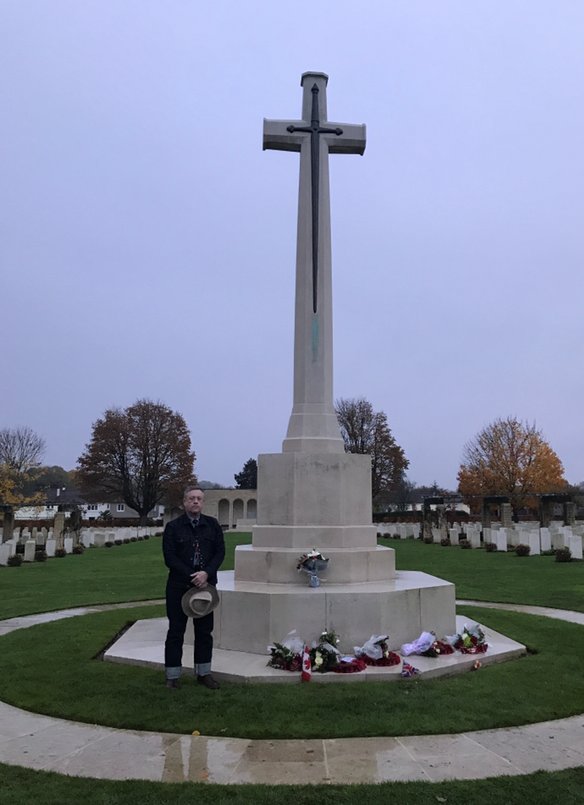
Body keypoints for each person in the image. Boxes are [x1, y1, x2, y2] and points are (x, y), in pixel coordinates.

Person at [162, 486, 225, 690]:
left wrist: (206, 573)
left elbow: (219, 552)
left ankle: (203, 672)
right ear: (185, 502)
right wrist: (192, 575)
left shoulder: (213, 525)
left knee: (205, 632)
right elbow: (169, 557)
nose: (195, 502)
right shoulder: (173, 527)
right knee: (176, 632)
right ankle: (172, 676)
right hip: (179, 586)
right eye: (191, 498)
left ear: (203, 502)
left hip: (205, 588)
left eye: (199, 498)